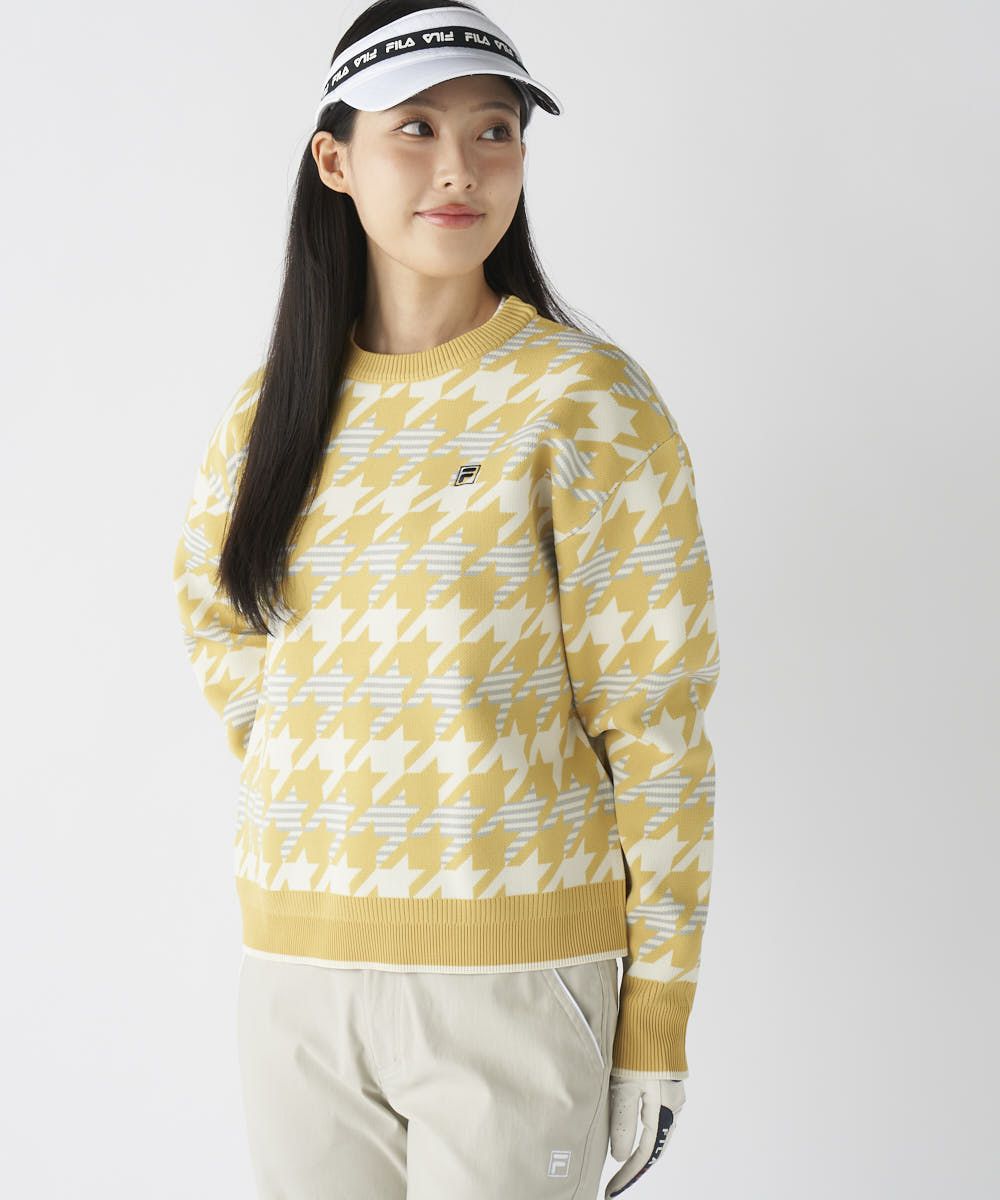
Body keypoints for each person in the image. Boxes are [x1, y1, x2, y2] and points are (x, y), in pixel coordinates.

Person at [171, 2, 721, 1197]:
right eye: (415, 128)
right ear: (335, 161)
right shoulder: (271, 411)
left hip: (516, 979)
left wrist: (655, 1024)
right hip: (298, 976)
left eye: (493, 131)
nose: (460, 167)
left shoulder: (585, 402)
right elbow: (219, 616)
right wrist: (323, 766)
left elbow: (658, 726)